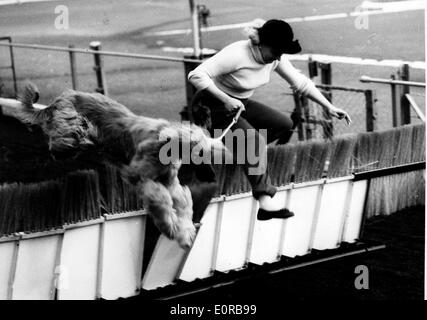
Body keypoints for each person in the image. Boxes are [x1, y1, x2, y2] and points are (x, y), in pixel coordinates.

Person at [188, 19, 351, 221]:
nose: (278, 58)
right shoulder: (237, 53)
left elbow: (300, 82)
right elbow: (196, 75)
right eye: (275, 52)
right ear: (260, 43)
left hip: (239, 104)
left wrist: (330, 106)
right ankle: (265, 201)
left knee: (284, 125)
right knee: (253, 141)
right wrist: (226, 99)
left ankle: (237, 153)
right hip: (210, 105)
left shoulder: (275, 57)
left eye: (281, 53)